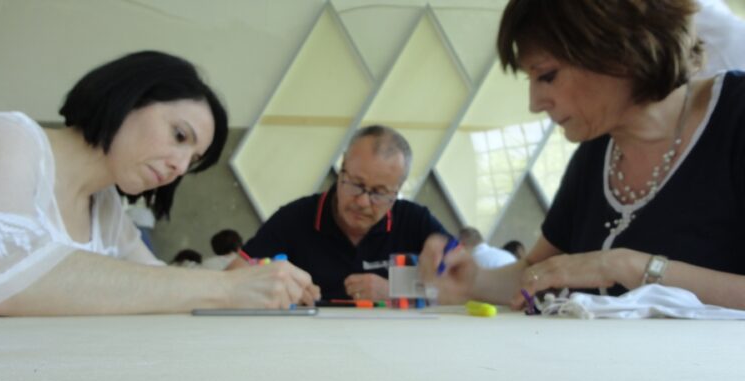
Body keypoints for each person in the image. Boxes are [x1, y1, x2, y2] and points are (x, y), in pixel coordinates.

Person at [420, 0, 745, 311]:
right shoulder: (598, 147)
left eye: (547, 76)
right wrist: (474, 280)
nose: (535, 102)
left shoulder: (736, 115)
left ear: (618, 52)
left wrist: (627, 266)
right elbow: (539, 272)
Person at [0, 51, 318, 316]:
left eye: (193, 159)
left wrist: (259, 285)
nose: (180, 166)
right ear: (129, 97)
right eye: (179, 135)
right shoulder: (8, 138)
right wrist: (225, 287)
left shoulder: (106, 206)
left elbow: (157, 282)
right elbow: (3, 278)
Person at [241, 125, 452, 300]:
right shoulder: (294, 219)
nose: (362, 202)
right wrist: (279, 287)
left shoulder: (415, 221)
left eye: (379, 193)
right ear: (342, 169)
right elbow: (234, 275)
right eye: (356, 184)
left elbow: (467, 286)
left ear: (397, 190)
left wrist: (395, 291)